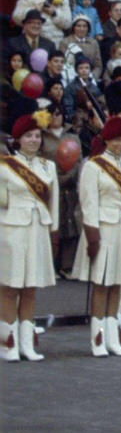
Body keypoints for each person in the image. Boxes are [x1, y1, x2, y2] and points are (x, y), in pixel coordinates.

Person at [73, 114, 121, 357]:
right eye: (118, 140)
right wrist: (92, 236)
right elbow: (88, 203)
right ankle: (98, 339)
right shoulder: (93, 166)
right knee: (101, 284)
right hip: (103, 228)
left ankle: (114, 339)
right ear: (107, 140)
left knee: (118, 282)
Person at [1, 113, 60, 362]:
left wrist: (54, 232)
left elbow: (54, 203)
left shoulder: (49, 167)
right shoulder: (5, 166)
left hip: (38, 229)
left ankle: (27, 344)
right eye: (28, 136)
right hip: (11, 229)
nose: (34, 140)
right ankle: (7, 344)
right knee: (10, 287)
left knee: (30, 288)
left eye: (37, 136)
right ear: (18, 139)